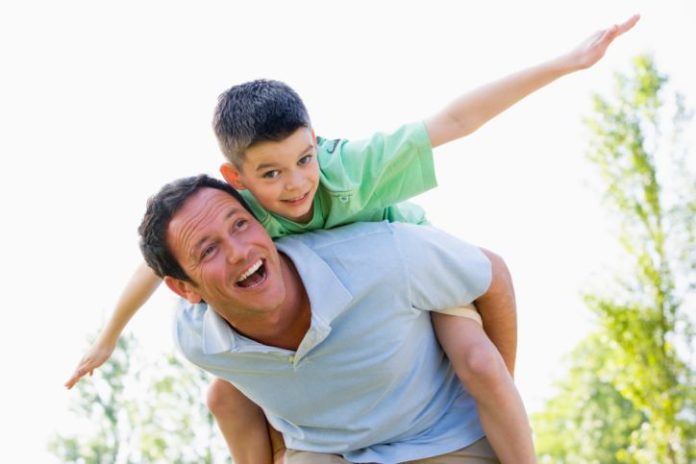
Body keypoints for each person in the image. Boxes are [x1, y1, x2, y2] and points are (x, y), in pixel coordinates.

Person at [66, 14, 639, 463]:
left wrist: (567, 63)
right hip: (328, 320)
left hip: (409, 277)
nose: (296, 186)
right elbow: (160, 263)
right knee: (223, 394)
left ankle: (500, 435)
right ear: (236, 179)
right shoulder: (233, 219)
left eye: (304, 159)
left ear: (316, 139)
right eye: (271, 174)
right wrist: (108, 337)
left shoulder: (352, 168)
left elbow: (457, 120)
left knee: (479, 364)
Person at [139, 174, 508, 463]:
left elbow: (494, 276)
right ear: (185, 289)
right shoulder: (196, 338)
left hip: (438, 437)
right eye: (209, 250)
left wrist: (501, 389)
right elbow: (238, 390)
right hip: (328, 450)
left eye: (239, 224)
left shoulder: (386, 258)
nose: (238, 252)